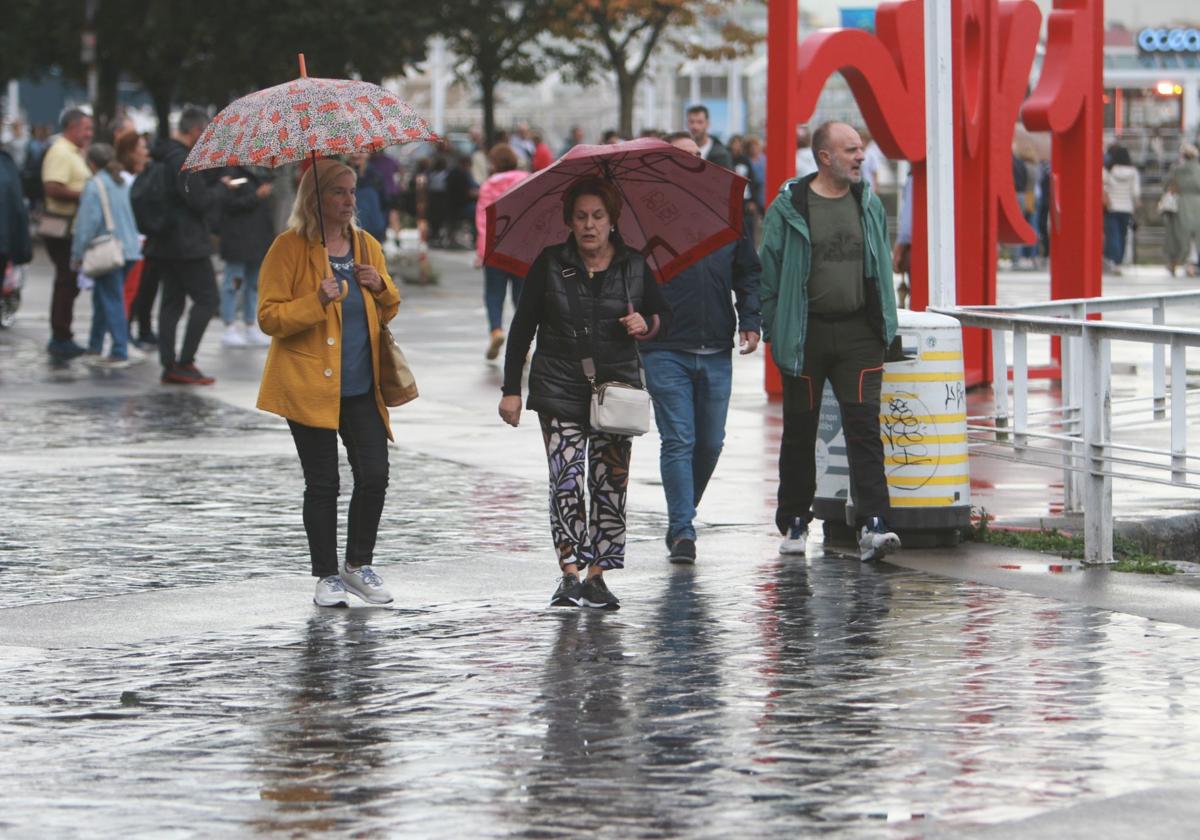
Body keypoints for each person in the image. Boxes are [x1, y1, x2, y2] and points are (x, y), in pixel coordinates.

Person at [498, 176, 671, 610]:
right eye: (581, 217)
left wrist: (643, 325)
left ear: (612, 220)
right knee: (567, 479)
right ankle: (570, 571)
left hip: (616, 389)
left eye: (598, 216)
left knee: (610, 483)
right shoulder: (550, 263)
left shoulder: (633, 265)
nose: (589, 225)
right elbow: (522, 328)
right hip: (558, 386)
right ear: (569, 222)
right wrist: (510, 391)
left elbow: (660, 314)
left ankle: (598, 576)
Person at [257, 159, 403, 608]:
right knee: (322, 484)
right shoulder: (289, 248)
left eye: (352, 191)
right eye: (339, 191)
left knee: (374, 474)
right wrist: (314, 300)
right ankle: (326, 575)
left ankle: (358, 565)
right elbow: (269, 317)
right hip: (308, 387)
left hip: (361, 386)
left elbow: (389, 309)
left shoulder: (366, 246)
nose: (349, 200)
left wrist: (380, 286)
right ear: (315, 198)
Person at [758, 120, 901, 563]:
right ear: (825, 157)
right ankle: (795, 521)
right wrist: (772, 328)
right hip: (806, 334)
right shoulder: (790, 207)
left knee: (864, 428)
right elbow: (770, 273)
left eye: (861, 148)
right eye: (852, 150)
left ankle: (874, 524)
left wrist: (886, 327)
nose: (861, 156)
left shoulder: (867, 202)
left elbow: (881, 266)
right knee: (800, 429)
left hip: (859, 333)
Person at [642, 132, 762, 565]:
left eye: (697, 158)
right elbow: (627, 277)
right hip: (664, 347)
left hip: (715, 347)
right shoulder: (646, 218)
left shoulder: (726, 214)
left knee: (710, 443)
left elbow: (748, 271)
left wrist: (750, 319)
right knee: (679, 440)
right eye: (681, 158)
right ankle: (682, 530)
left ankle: (682, 514)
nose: (692, 165)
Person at [143, 106, 223, 384]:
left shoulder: (162, 155)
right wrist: (222, 188)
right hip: (187, 244)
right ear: (195, 131)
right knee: (208, 299)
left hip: (164, 242)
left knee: (171, 303)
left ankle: (169, 364)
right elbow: (199, 200)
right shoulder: (183, 159)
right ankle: (186, 361)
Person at [70, 143, 142, 368]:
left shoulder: (95, 185)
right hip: (129, 248)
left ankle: (119, 349)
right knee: (103, 297)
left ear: (91, 163)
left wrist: (77, 252)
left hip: (109, 249)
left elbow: (86, 225)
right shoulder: (120, 181)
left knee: (111, 300)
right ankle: (95, 345)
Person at [40, 108, 94, 359]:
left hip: (72, 227)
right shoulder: (60, 152)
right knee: (66, 281)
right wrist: (85, 195)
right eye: (86, 128)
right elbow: (53, 188)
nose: (89, 133)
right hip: (63, 228)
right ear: (72, 127)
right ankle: (60, 336)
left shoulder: (73, 152)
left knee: (69, 282)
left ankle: (63, 334)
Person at [474, 143, 529, 359]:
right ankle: (522, 345)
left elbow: (483, 219)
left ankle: (496, 330)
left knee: (494, 294)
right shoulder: (527, 179)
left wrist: (482, 250)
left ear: (494, 163)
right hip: (523, 249)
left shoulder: (488, 185)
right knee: (522, 298)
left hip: (496, 248)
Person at [217, 166, 275, 347]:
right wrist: (256, 196)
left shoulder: (261, 174)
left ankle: (250, 324)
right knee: (234, 282)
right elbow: (229, 204)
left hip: (257, 238)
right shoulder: (232, 174)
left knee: (253, 284)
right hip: (238, 238)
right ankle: (229, 324)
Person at [1102, 144, 1140, 276]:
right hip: (1127, 208)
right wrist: (1135, 205)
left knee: (1113, 234)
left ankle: (1112, 259)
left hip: (1112, 207)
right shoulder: (1133, 172)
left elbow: (1103, 187)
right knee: (1123, 235)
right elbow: (1135, 192)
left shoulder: (1108, 171)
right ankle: (1119, 262)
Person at [1163, 143, 1200, 278]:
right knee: (1194, 237)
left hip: (1181, 205)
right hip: (1197, 205)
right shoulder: (1198, 169)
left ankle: (1174, 263)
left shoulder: (1177, 170)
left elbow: (1166, 185)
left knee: (1178, 236)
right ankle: (1191, 264)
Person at [686, 104, 732, 169]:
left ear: (707, 124)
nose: (695, 126)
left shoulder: (721, 155)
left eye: (700, 122)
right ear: (687, 124)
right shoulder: (682, 151)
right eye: (691, 122)